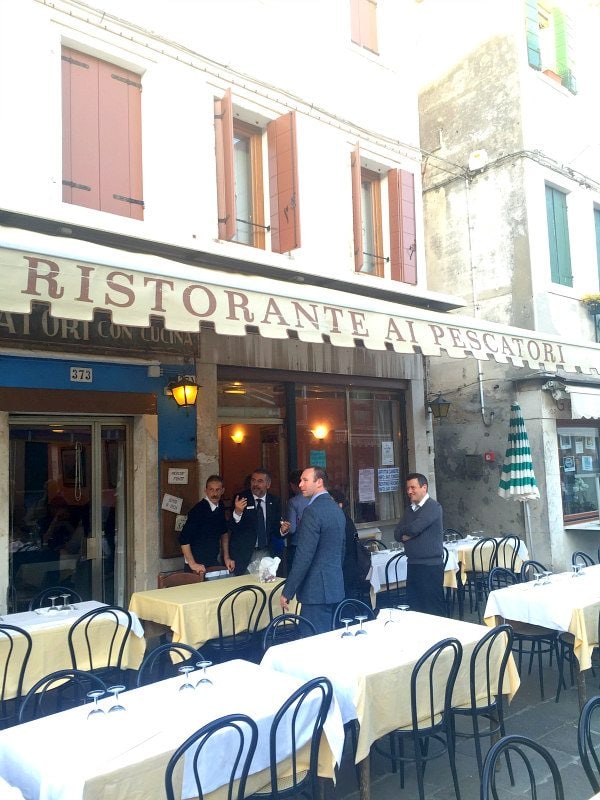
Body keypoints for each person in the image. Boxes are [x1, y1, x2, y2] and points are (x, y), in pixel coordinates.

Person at [280, 467, 346, 633]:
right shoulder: (336, 509)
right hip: (334, 585)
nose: (300, 484)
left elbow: (304, 555)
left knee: (313, 642)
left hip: (315, 589)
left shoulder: (312, 511)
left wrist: (288, 591)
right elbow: (341, 549)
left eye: (305, 480)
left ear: (319, 482)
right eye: (300, 480)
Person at [394, 472, 445, 616]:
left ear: (424, 488)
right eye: (408, 488)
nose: (409, 491)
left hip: (430, 566)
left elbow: (415, 528)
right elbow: (397, 533)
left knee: (432, 608)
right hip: (413, 564)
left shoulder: (433, 507)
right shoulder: (409, 509)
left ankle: (441, 638)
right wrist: (408, 533)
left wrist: (410, 531)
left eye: (413, 487)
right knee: (415, 608)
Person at [229, 468, 290, 576]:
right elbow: (232, 528)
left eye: (260, 481)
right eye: (253, 480)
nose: (255, 484)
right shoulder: (241, 498)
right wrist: (237, 512)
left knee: (265, 584)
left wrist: (282, 530)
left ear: (268, 484)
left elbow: (275, 528)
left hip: (266, 551)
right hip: (245, 553)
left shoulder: (274, 501)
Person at [179, 475, 234, 576]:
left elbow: (224, 532)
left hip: (212, 561)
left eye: (218, 490)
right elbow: (184, 539)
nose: (214, 493)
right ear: (206, 491)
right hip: (197, 566)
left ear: (222, 491)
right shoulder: (198, 511)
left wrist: (226, 557)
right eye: (211, 490)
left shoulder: (220, 506)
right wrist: (192, 564)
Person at [330, 489, 368, 600]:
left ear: (340, 505)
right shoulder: (347, 520)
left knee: (344, 601)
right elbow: (355, 538)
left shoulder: (341, 521)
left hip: (345, 567)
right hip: (350, 566)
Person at [285, 469, 310, 572]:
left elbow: (292, 529)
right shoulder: (316, 498)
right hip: (315, 544)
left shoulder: (293, 502)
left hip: (297, 545)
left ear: (292, 485)